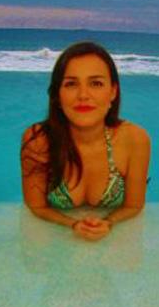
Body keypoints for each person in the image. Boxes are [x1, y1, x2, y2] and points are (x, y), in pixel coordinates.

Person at [20, 41, 151, 241]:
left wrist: (108, 222)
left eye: (96, 83)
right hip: (57, 241)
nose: (83, 95)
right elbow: (36, 206)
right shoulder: (38, 140)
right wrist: (72, 224)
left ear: (113, 92)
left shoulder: (135, 139)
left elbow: (134, 205)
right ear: (57, 95)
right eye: (71, 84)